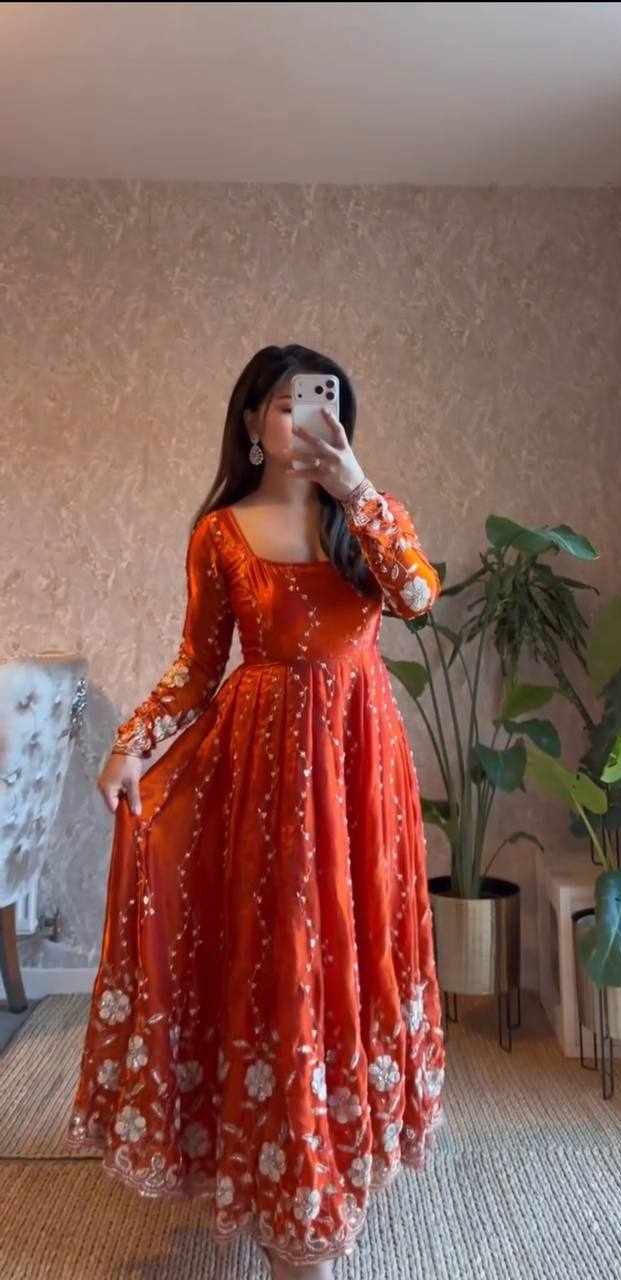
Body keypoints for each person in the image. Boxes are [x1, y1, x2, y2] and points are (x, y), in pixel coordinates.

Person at [65, 344, 447, 1278]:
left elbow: (417, 598)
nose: (307, 418)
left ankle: (332, 1162)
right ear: (250, 422)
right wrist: (131, 744)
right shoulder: (220, 533)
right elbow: (200, 663)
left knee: (347, 951)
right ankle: (287, 1184)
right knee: (279, 956)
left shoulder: (370, 516)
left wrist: (356, 488)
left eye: (325, 403)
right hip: (261, 768)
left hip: (358, 765)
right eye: (285, 404)